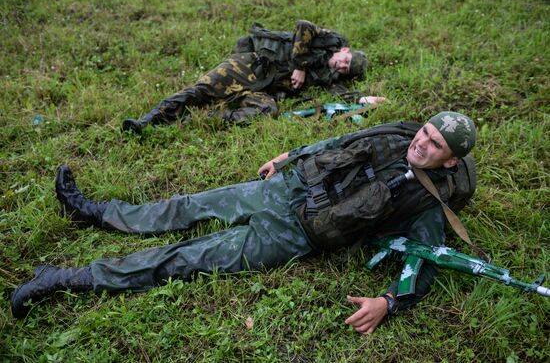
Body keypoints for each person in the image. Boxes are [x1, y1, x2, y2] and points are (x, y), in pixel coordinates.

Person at [11, 112, 477, 335]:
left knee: (186, 259)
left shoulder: (430, 203)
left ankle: (66, 279)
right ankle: (94, 211)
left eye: (434, 145)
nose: (421, 143)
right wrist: (290, 156)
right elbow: (345, 138)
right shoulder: (399, 134)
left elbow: (427, 259)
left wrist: (388, 302)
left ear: (451, 161)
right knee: (188, 205)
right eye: (425, 133)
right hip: (288, 188)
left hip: (295, 233)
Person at [121, 20, 385, 134]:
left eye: (345, 69)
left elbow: (338, 97)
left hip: (265, 88)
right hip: (251, 66)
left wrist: (364, 98)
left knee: (266, 110)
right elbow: (303, 25)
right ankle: (148, 121)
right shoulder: (324, 40)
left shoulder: (329, 76)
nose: (341, 66)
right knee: (201, 90)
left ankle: (199, 118)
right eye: (345, 61)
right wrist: (300, 65)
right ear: (344, 50)